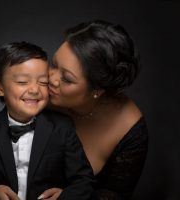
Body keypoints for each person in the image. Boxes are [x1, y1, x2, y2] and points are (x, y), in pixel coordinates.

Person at [0, 41, 95, 200]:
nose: (34, 90)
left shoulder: (62, 127)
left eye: (43, 82)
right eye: (23, 82)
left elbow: (84, 181)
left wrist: (64, 197)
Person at [44, 20, 148, 199]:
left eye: (67, 79)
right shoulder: (38, 94)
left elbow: (116, 194)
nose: (50, 78)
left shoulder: (130, 129)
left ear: (97, 90)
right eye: (54, 65)